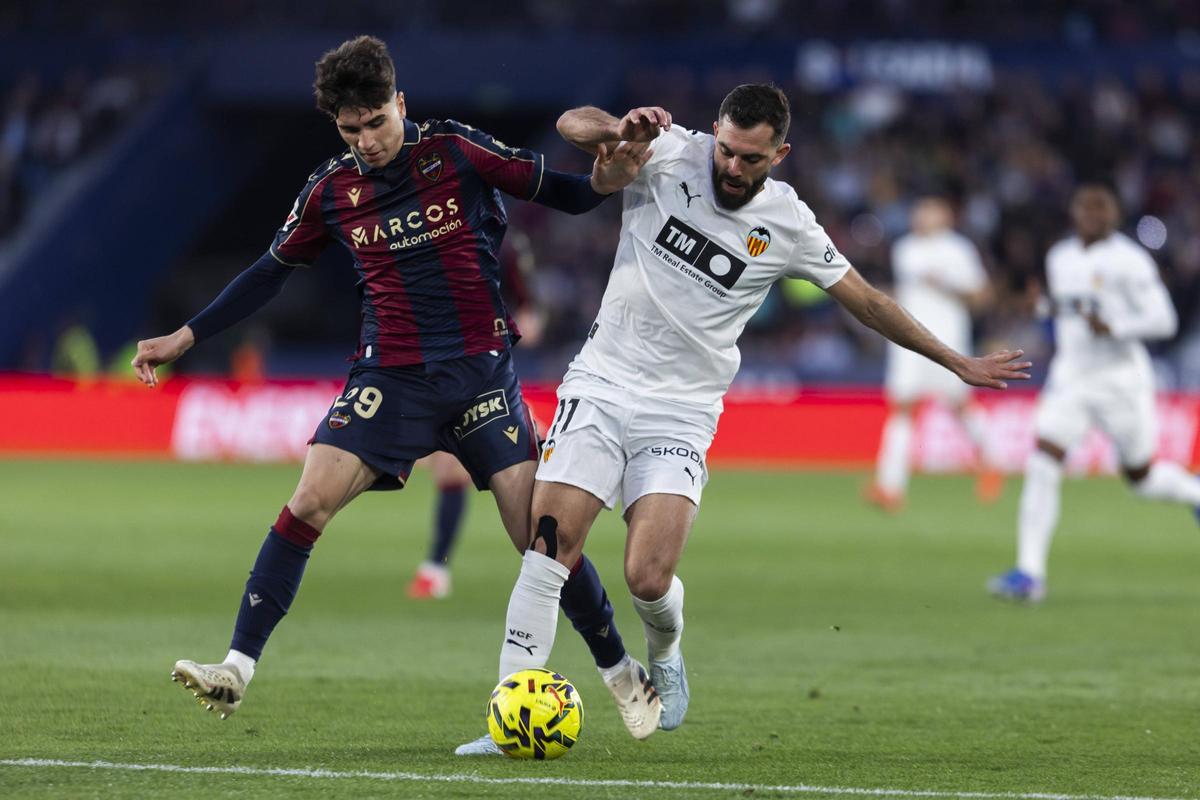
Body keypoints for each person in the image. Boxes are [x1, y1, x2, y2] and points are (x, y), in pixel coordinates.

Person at [456, 84, 1030, 753]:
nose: (731, 167)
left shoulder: (789, 224)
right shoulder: (670, 151)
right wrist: (620, 127)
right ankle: (510, 719)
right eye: (726, 150)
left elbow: (869, 302)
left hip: (683, 411)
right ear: (715, 132)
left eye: (750, 159)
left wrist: (955, 361)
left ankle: (665, 652)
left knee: (647, 577)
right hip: (602, 383)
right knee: (548, 543)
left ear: (778, 154)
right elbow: (569, 122)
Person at [130, 35, 655, 729]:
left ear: (400, 103)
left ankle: (621, 672)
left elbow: (565, 193)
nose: (367, 141)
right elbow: (268, 273)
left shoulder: (456, 150)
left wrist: (603, 183)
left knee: (542, 537)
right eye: (351, 129)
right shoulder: (330, 191)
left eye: (376, 122)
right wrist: (186, 336)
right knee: (308, 501)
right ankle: (237, 667)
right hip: (390, 378)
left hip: (478, 374)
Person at [988, 184, 1199, 603]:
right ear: (1074, 213)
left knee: (1142, 479)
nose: (1092, 216)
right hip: (1072, 377)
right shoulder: (1060, 257)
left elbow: (1164, 320)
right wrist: (1039, 308)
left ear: (1113, 216)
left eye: (1100, 209)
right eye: (1085, 208)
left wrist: (1117, 328)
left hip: (1120, 380)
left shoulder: (1130, 261)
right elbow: (1071, 310)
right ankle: (1029, 574)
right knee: (1044, 458)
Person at [407, 232, 546, 600]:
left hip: (492, 368)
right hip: (447, 363)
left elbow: (530, 312)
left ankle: (548, 566)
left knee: (482, 471)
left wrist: (514, 327)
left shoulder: (506, 243)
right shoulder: (438, 235)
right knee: (448, 468)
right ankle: (436, 569)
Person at [867, 196, 1000, 513]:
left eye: (929, 211)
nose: (922, 216)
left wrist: (947, 284)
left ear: (945, 215)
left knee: (959, 405)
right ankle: (889, 487)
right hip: (908, 340)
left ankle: (992, 462)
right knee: (902, 406)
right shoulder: (905, 249)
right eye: (919, 210)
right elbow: (907, 293)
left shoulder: (958, 250)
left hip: (947, 339)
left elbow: (981, 296)